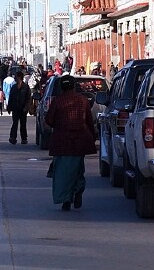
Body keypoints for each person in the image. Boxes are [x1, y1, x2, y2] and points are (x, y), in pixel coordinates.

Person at [45, 74, 97, 211]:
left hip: (62, 142)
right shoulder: (83, 100)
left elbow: (48, 121)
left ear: (61, 87)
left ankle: (66, 199)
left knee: (62, 173)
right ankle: (78, 189)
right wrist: (92, 136)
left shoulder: (57, 101)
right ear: (74, 86)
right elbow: (89, 122)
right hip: (80, 141)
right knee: (78, 169)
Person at [7, 71, 31, 145]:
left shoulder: (26, 87)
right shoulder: (14, 87)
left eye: (16, 77)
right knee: (15, 124)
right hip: (15, 108)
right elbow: (11, 97)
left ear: (19, 77)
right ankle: (13, 138)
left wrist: (26, 108)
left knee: (23, 124)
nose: (15, 78)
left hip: (23, 109)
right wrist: (9, 107)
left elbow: (28, 99)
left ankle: (24, 138)